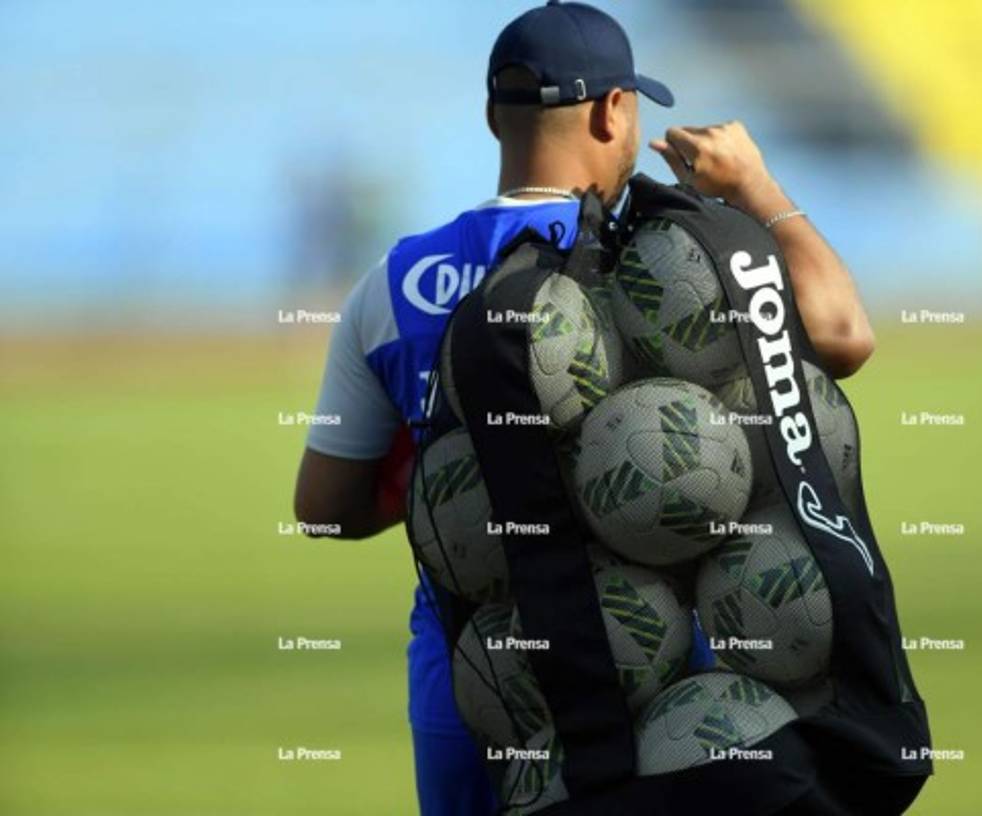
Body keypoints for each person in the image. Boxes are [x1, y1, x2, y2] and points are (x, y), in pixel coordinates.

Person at [293, 2, 875, 814]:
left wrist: (468, 472)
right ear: (614, 111)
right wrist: (756, 187)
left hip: (478, 679)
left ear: (493, 117)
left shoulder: (392, 283)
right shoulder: (670, 262)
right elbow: (844, 335)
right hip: (654, 672)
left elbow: (324, 509)